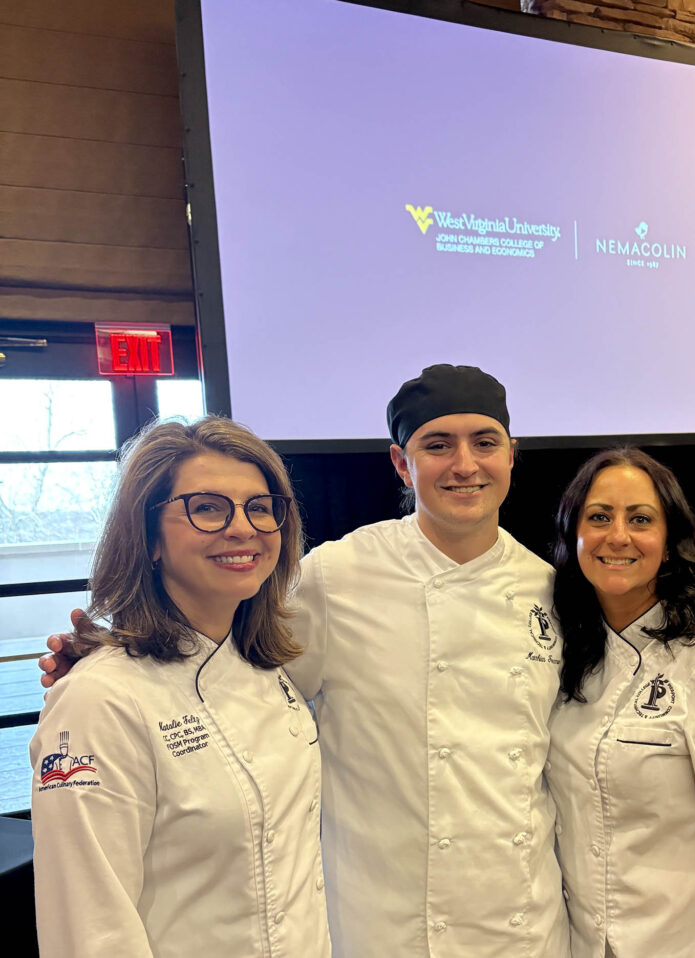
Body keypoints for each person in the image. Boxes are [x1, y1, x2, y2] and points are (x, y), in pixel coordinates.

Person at [41, 365, 569, 958]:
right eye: (438, 445)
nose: (465, 464)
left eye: (485, 443)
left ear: (511, 455)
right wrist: (115, 658)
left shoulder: (551, 588)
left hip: (524, 919)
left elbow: (242, 667)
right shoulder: (334, 577)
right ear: (402, 463)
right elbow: (216, 657)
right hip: (382, 923)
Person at [31, 417, 330, 958]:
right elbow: (90, 926)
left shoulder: (266, 669)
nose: (243, 528)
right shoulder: (100, 699)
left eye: (260, 507)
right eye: (208, 507)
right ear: (148, 540)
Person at [546, 448, 695, 958]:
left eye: (640, 519)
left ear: (669, 540)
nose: (617, 536)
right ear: (574, 535)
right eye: (598, 517)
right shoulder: (567, 653)